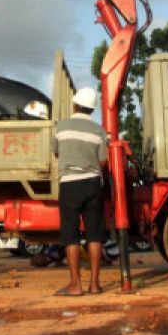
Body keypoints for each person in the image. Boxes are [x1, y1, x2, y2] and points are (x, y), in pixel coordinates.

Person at [50, 87, 107, 296]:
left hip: (70, 184)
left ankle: (75, 284)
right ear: (92, 109)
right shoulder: (99, 131)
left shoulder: (61, 127)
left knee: (71, 235)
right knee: (94, 235)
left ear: (75, 105)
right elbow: (103, 160)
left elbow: (56, 152)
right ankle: (94, 284)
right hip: (92, 183)